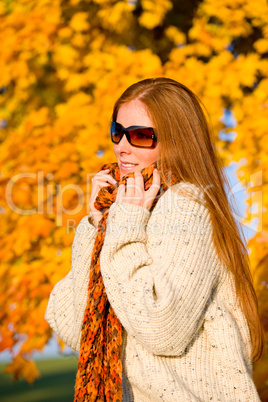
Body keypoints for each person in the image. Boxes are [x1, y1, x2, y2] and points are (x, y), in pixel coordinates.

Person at [45, 77, 265, 402]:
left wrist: (123, 224)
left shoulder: (184, 203)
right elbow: (75, 324)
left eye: (141, 136)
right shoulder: (127, 212)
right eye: (117, 131)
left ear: (176, 140)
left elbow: (162, 329)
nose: (122, 146)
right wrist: (95, 222)